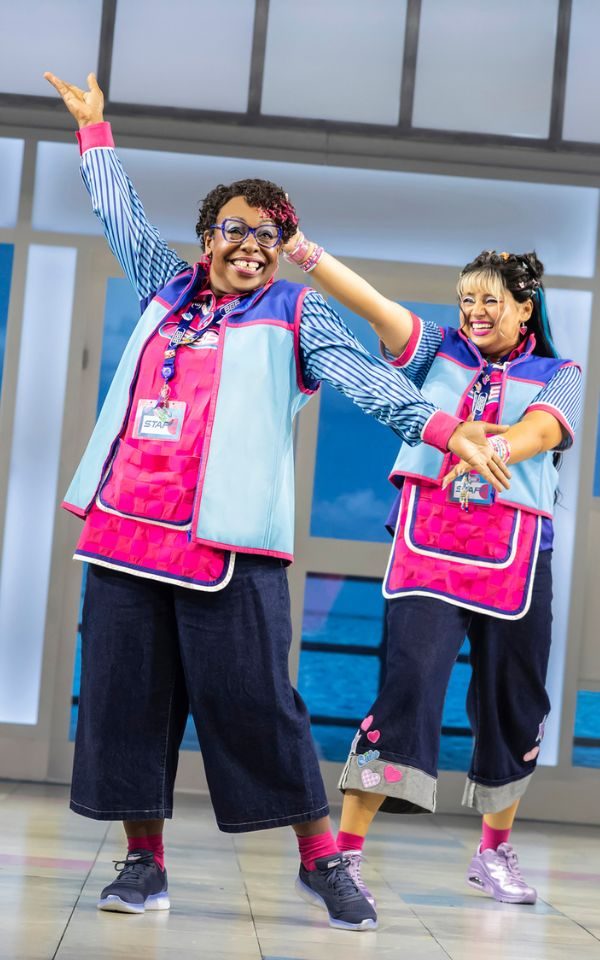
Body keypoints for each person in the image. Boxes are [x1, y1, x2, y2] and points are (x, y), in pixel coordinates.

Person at [44, 71, 508, 930]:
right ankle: (143, 864)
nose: (251, 244)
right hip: (125, 538)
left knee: (262, 705)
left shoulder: (297, 314)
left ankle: (322, 862)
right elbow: (122, 221)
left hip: (229, 549)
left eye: (269, 233)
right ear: (208, 237)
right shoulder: (165, 288)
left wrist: (446, 431)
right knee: (125, 704)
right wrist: (95, 134)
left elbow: (367, 380)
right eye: (236, 229)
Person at [282, 233, 582, 911]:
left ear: (524, 309)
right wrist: (304, 251)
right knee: (407, 688)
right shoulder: (437, 351)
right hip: (429, 551)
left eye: (490, 300)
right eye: (466, 299)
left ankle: (493, 853)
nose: (475, 310)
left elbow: (542, 431)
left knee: (516, 701)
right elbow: (374, 305)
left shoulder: (559, 371)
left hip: (516, 557)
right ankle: (343, 859)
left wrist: (491, 446)